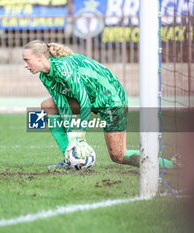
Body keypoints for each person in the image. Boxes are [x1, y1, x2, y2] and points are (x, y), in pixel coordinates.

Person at [22, 40, 175, 169]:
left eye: (27, 60)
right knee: (48, 105)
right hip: (92, 98)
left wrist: (80, 136)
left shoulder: (64, 68)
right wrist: (72, 138)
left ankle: (174, 165)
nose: (25, 65)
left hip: (111, 98)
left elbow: (84, 102)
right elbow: (62, 105)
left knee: (118, 156)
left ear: (40, 57)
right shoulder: (44, 76)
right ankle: (70, 159)